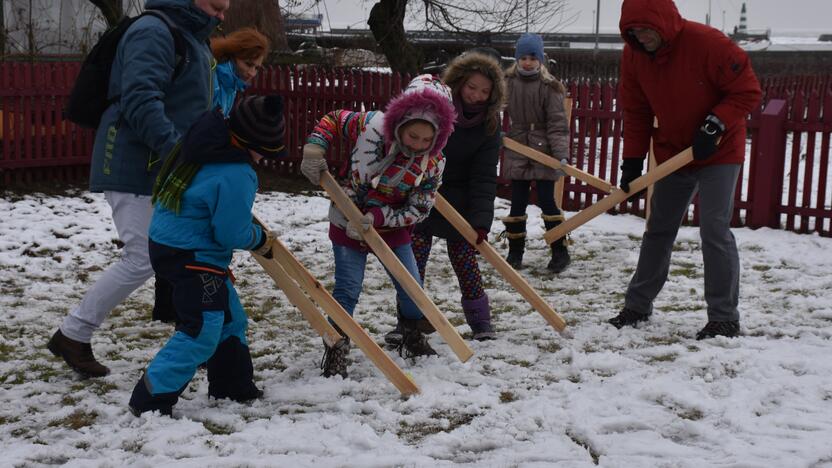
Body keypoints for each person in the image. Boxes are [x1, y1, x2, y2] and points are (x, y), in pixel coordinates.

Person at [47, 0, 230, 378]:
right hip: (134, 164)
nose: (224, 11)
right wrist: (180, 153)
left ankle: (199, 335)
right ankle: (73, 334)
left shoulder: (193, 39)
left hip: (165, 168)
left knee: (182, 248)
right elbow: (141, 100)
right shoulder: (153, 31)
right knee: (143, 256)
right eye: (218, 4)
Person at [608, 0, 761, 339]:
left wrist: (715, 123)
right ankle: (637, 306)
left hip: (719, 150)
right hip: (674, 151)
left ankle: (724, 317)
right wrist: (632, 159)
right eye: (632, 32)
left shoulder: (709, 43)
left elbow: (747, 90)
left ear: (663, 23)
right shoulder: (634, 55)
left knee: (714, 229)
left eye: (645, 30)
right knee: (659, 228)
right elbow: (636, 111)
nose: (640, 37)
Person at [128, 95, 286, 416]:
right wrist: (260, 239)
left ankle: (232, 385)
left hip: (169, 244)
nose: (261, 159)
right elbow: (230, 232)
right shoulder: (236, 172)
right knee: (202, 330)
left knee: (230, 319)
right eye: (262, 151)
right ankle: (150, 398)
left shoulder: (202, 144)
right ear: (250, 143)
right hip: (194, 257)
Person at [299, 75, 456, 378]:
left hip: (392, 228)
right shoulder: (371, 124)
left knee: (412, 291)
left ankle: (410, 334)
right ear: (400, 123)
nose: (419, 145)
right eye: (413, 137)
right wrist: (315, 148)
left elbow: (421, 206)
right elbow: (333, 120)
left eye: (427, 140)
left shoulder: (434, 162)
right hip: (348, 219)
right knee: (348, 289)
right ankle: (336, 347)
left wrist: (381, 218)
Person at [386, 50, 506, 344]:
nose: (476, 95)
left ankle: (481, 323)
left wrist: (479, 221)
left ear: (492, 95)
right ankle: (409, 322)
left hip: (461, 201)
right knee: (413, 260)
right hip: (424, 193)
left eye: (484, 91)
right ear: (459, 83)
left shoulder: (489, 126)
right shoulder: (436, 111)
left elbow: (484, 176)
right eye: (471, 87)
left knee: (465, 261)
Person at [501, 33, 572, 274]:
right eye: (523, 57)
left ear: (541, 60)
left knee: (546, 200)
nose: (528, 62)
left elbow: (557, 124)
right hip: (518, 144)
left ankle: (560, 251)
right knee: (518, 202)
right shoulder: (507, 83)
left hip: (544, 149)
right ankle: (515, 252)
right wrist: (495, 134)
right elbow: (492, 110)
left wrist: (561, 155)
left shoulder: (550, 87)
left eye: (533, 57)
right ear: (517, 59)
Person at [211, 27, 270, 116]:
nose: (252, 73)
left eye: (256, 68)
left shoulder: (231, 84)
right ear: (232, 56)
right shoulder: (212, 80)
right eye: (248, 64)